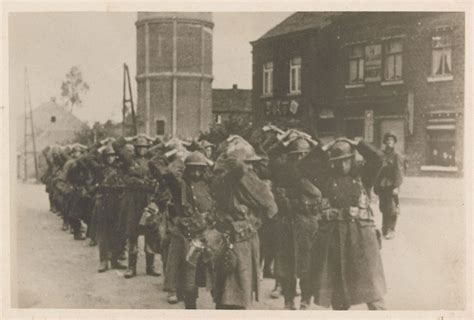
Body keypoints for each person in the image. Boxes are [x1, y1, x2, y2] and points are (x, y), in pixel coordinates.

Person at [310, 137, 386, 310]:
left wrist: (359, 144)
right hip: (336, 238)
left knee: (372, 290)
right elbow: (304, 168)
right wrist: (323, 148)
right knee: (340, 291)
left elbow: (379, 159)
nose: (342, 166)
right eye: (337, 162)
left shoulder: (363, 176)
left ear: (352, 159)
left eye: (346, 161)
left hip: (361, 238)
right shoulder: (326, 179)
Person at [211, 142, 278, 309]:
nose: (250, 168)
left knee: (234, 290)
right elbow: (269, 204)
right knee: (234, 290)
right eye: (248, 163)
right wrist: (238, 159)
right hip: (235, 240)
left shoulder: (234, 179)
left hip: (241, 238)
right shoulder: (231, 179)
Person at [269, 137, 321, 310]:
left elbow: (322, 152)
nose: (302, 157)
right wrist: (283, 140)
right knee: (286, 266)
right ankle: (288, 301)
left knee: (307, 265)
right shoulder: (283, 170)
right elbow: (271, 154)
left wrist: (310, 140)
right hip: (287, 222)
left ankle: (306, 300)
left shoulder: (315, 172)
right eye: (297, 155)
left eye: (305, 154)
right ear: (290, 156)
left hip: (308, 223)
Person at [163, 151, 214, 309]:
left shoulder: (208, 183)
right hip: (186, 233)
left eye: (200, 169)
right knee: (187, 273)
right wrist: (179, 155)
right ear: (187, 169)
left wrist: (208, 160)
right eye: (193, 169)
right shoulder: (180, 185)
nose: (196, 173)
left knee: (206, 270)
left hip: (206, 231)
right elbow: (169, 172)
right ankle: (190, 306)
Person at [113, 135, 161, 278]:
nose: (142, 150)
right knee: (132, 234)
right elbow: (116, 145)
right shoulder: (129, 160)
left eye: (144, 147)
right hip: (133, 202)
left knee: (151, 233)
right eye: (139, 147)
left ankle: (150, 266)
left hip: (147, 200)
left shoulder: (152, 161)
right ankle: (131, 267)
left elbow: (163, 147)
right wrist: (129, 138)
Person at [85, 145, 127, 272]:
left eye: (113, 156)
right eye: (108, 156)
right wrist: (99, 145)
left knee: (117, 232)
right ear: (104, 157)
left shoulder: (120, 168)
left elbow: (126, 157)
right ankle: (103, 261)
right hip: (104, 202)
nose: (111, 158)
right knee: (103, 233)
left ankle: (114, 260)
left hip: (117, 202)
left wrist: (115, 146)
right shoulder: (99, 169)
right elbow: (88, 158)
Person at [375, 132, 404, 240]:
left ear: (394, 142)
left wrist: (397, 186)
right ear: (385, 142)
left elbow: (399, 171)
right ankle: (384, 227)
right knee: (383, 207)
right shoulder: (382, 154)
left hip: (392, 184)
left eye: (392, 140)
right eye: (388, 140)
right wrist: (377, 184)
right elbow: (378, 170)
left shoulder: (397, 155)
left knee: (392, 207)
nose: (389, 142)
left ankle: (391, 229)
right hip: (383, 184)